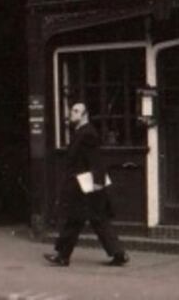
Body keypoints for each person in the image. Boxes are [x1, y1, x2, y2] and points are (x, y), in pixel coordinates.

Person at [44, 102, 129, 267]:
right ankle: (118, 254)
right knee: (93, 220)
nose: (71, 114)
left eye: (76, 111)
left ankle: (63, 256)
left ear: (84, 115)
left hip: (87, 186)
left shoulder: (87, 134)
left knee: (78, 220)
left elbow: (95, 159)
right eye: (72, 111)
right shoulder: (80, 133)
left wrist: (98, 182)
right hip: (84, 185)